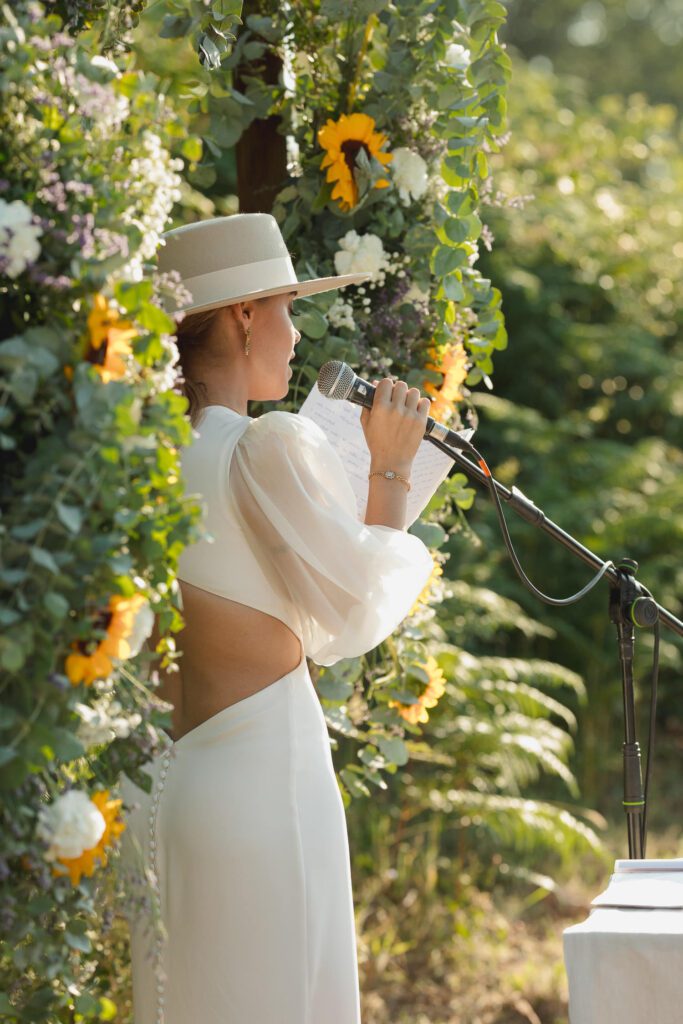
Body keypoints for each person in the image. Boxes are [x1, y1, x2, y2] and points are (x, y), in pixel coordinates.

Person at [118, 213, 434, 1024]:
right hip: (264, 798)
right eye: (287, 307)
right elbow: (355, 618)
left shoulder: (133, 460)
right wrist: (392, 468)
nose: (296, 334)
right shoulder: (261, 449)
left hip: (163, 794)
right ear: (244, 315)